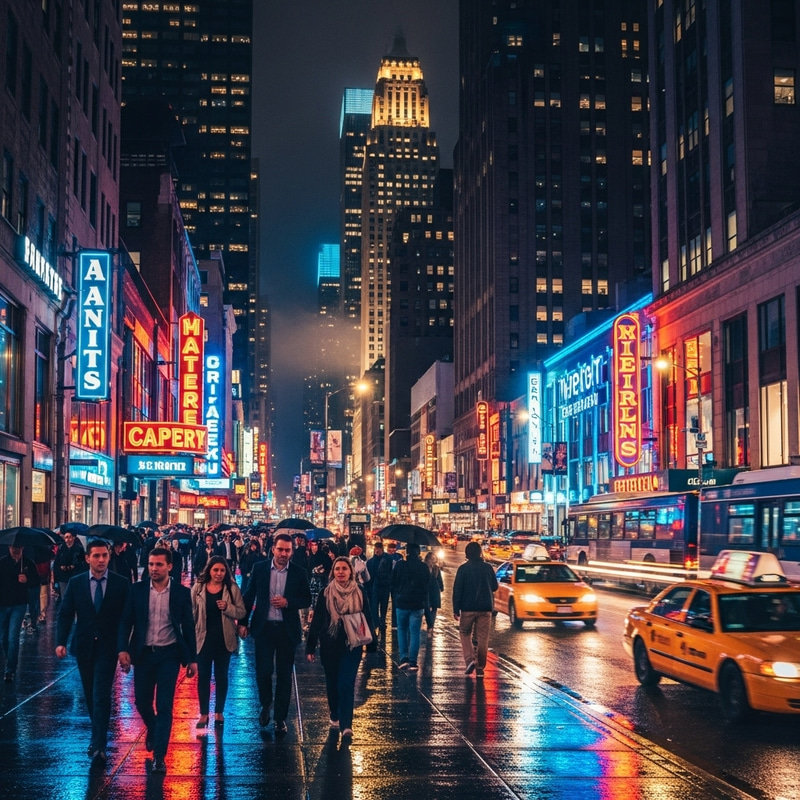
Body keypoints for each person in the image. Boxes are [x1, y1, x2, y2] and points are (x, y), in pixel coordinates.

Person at [118, 547, 197, 775]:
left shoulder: (182, 594)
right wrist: (123, 649)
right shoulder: (137, 590)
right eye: (151, 564)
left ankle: (160, 756)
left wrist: (192, 659)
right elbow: (126, 621)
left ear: (169, 567)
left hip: (169, 655)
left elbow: (188, 628)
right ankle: (153, 729)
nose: (154, 569)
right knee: (142, 702)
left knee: (164, 706)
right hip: (143, 654)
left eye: (159, 564)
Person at [56, 540, 131, 762]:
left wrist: (124, 648)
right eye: (96, 556)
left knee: (100, 694)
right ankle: (96, 733)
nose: (101, 560)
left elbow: (127, 619)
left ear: (109, 557)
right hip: (84, 645)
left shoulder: (121, 583)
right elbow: (66, 613)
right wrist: (61, 641)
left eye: (104, 556)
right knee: (90, 694)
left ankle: (99, 745)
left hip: (108, 648)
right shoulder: (76, 582)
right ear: (88, 558)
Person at [239, 532, 311, 734]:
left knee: (284, 676)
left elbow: (306, 599)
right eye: (280, 549)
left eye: (287, 550)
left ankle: (280, 718)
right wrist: (243, 622)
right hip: (264, 628)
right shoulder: (260, 568)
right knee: (263, 671)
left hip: (287, 631)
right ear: (273, 549)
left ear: (292, 552)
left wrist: (288, 602)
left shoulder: (299, 572)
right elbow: (249, 595)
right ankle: (265, 704)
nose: (283, 553)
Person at [306, 557, 375, 742]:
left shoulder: (359, 591)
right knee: (332, 684)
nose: (341, 572)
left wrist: (372, 642)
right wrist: (310, 646)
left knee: (346, 683)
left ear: (351, 572)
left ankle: (346, 725)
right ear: (333, 572)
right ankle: (334, 713)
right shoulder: (325, 593)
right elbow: (318, 621)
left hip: (352, 646)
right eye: (337, 569)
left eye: (345, 568)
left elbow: (367, 615)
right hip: (330, 646)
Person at [191, 556, 246, 731]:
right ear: (209, 570)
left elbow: (242, 612)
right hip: (203, 639)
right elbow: (190, 612)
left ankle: (219, 712)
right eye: (216, 570)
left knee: (221, 677)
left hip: (224, 640)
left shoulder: (231, 589)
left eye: (222, 570)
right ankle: (204, 713)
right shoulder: (198, 588)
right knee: (204, 677)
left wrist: (228, 608)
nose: (219, 573)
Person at [452, 541, 498, 679]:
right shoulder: (488, 568)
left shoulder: (463, 569)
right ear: (480, 553)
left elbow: (457, 590)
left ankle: (470, 659)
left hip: (467, 607)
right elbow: (495, 586)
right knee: (483, 638)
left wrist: (456, 609)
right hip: (485, 608)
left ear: (467, 554)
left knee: (465, 632)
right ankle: (480, 668)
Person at [0, 545, 39, 682]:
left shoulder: (28, 564)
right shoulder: (2, 563)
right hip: (3, 604)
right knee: (3, 638)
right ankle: (10, 658)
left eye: (18, 548)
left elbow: (36, 582)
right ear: (9, 548)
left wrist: (27, 580)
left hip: (19, 604)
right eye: (12, 548)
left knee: (12, 637)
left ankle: (10, 669)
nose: (15, 551)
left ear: (23, 548)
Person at [389, 542, 429, 672]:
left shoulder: (400, 565)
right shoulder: (423, 567)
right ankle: (413, 662)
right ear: (418, 552)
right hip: (417, 604)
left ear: (407, 552)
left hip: (402, 602)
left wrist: (396, 595)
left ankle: (403, 658)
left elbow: (393, 582)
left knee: (402, 630)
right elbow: (427, 585)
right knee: (415, 632)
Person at [365, 541, 393, 634]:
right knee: (375, 605)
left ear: (382, 549)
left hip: (384, 586)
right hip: (375, 586)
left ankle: (381, 621)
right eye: (376, 549)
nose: (377, 551)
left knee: (383, 605)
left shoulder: (387, 559)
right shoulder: (371, 561)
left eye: (379, 549)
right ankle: (377, 623)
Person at [53, 532, 85, 600]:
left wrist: (74, 566)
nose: (68, 539)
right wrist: (59, 570)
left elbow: (82, 561)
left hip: (75, 574)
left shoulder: (79, 548)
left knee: (75, 595)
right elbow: (57, 562)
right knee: (64, 596)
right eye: (66, 537)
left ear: (73, 538)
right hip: (63, 576)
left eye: (69, 537)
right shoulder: (61, 548)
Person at [423, 551, 444, 635]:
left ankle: (431, 625)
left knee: (432, 607)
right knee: (428, 607)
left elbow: (439, 579)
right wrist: (441, 587)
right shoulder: (426, 567)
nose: (433, 560)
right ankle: (430, 624)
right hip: (430, 589)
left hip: (432, 589)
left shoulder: (435, 568)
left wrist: (441, 587)